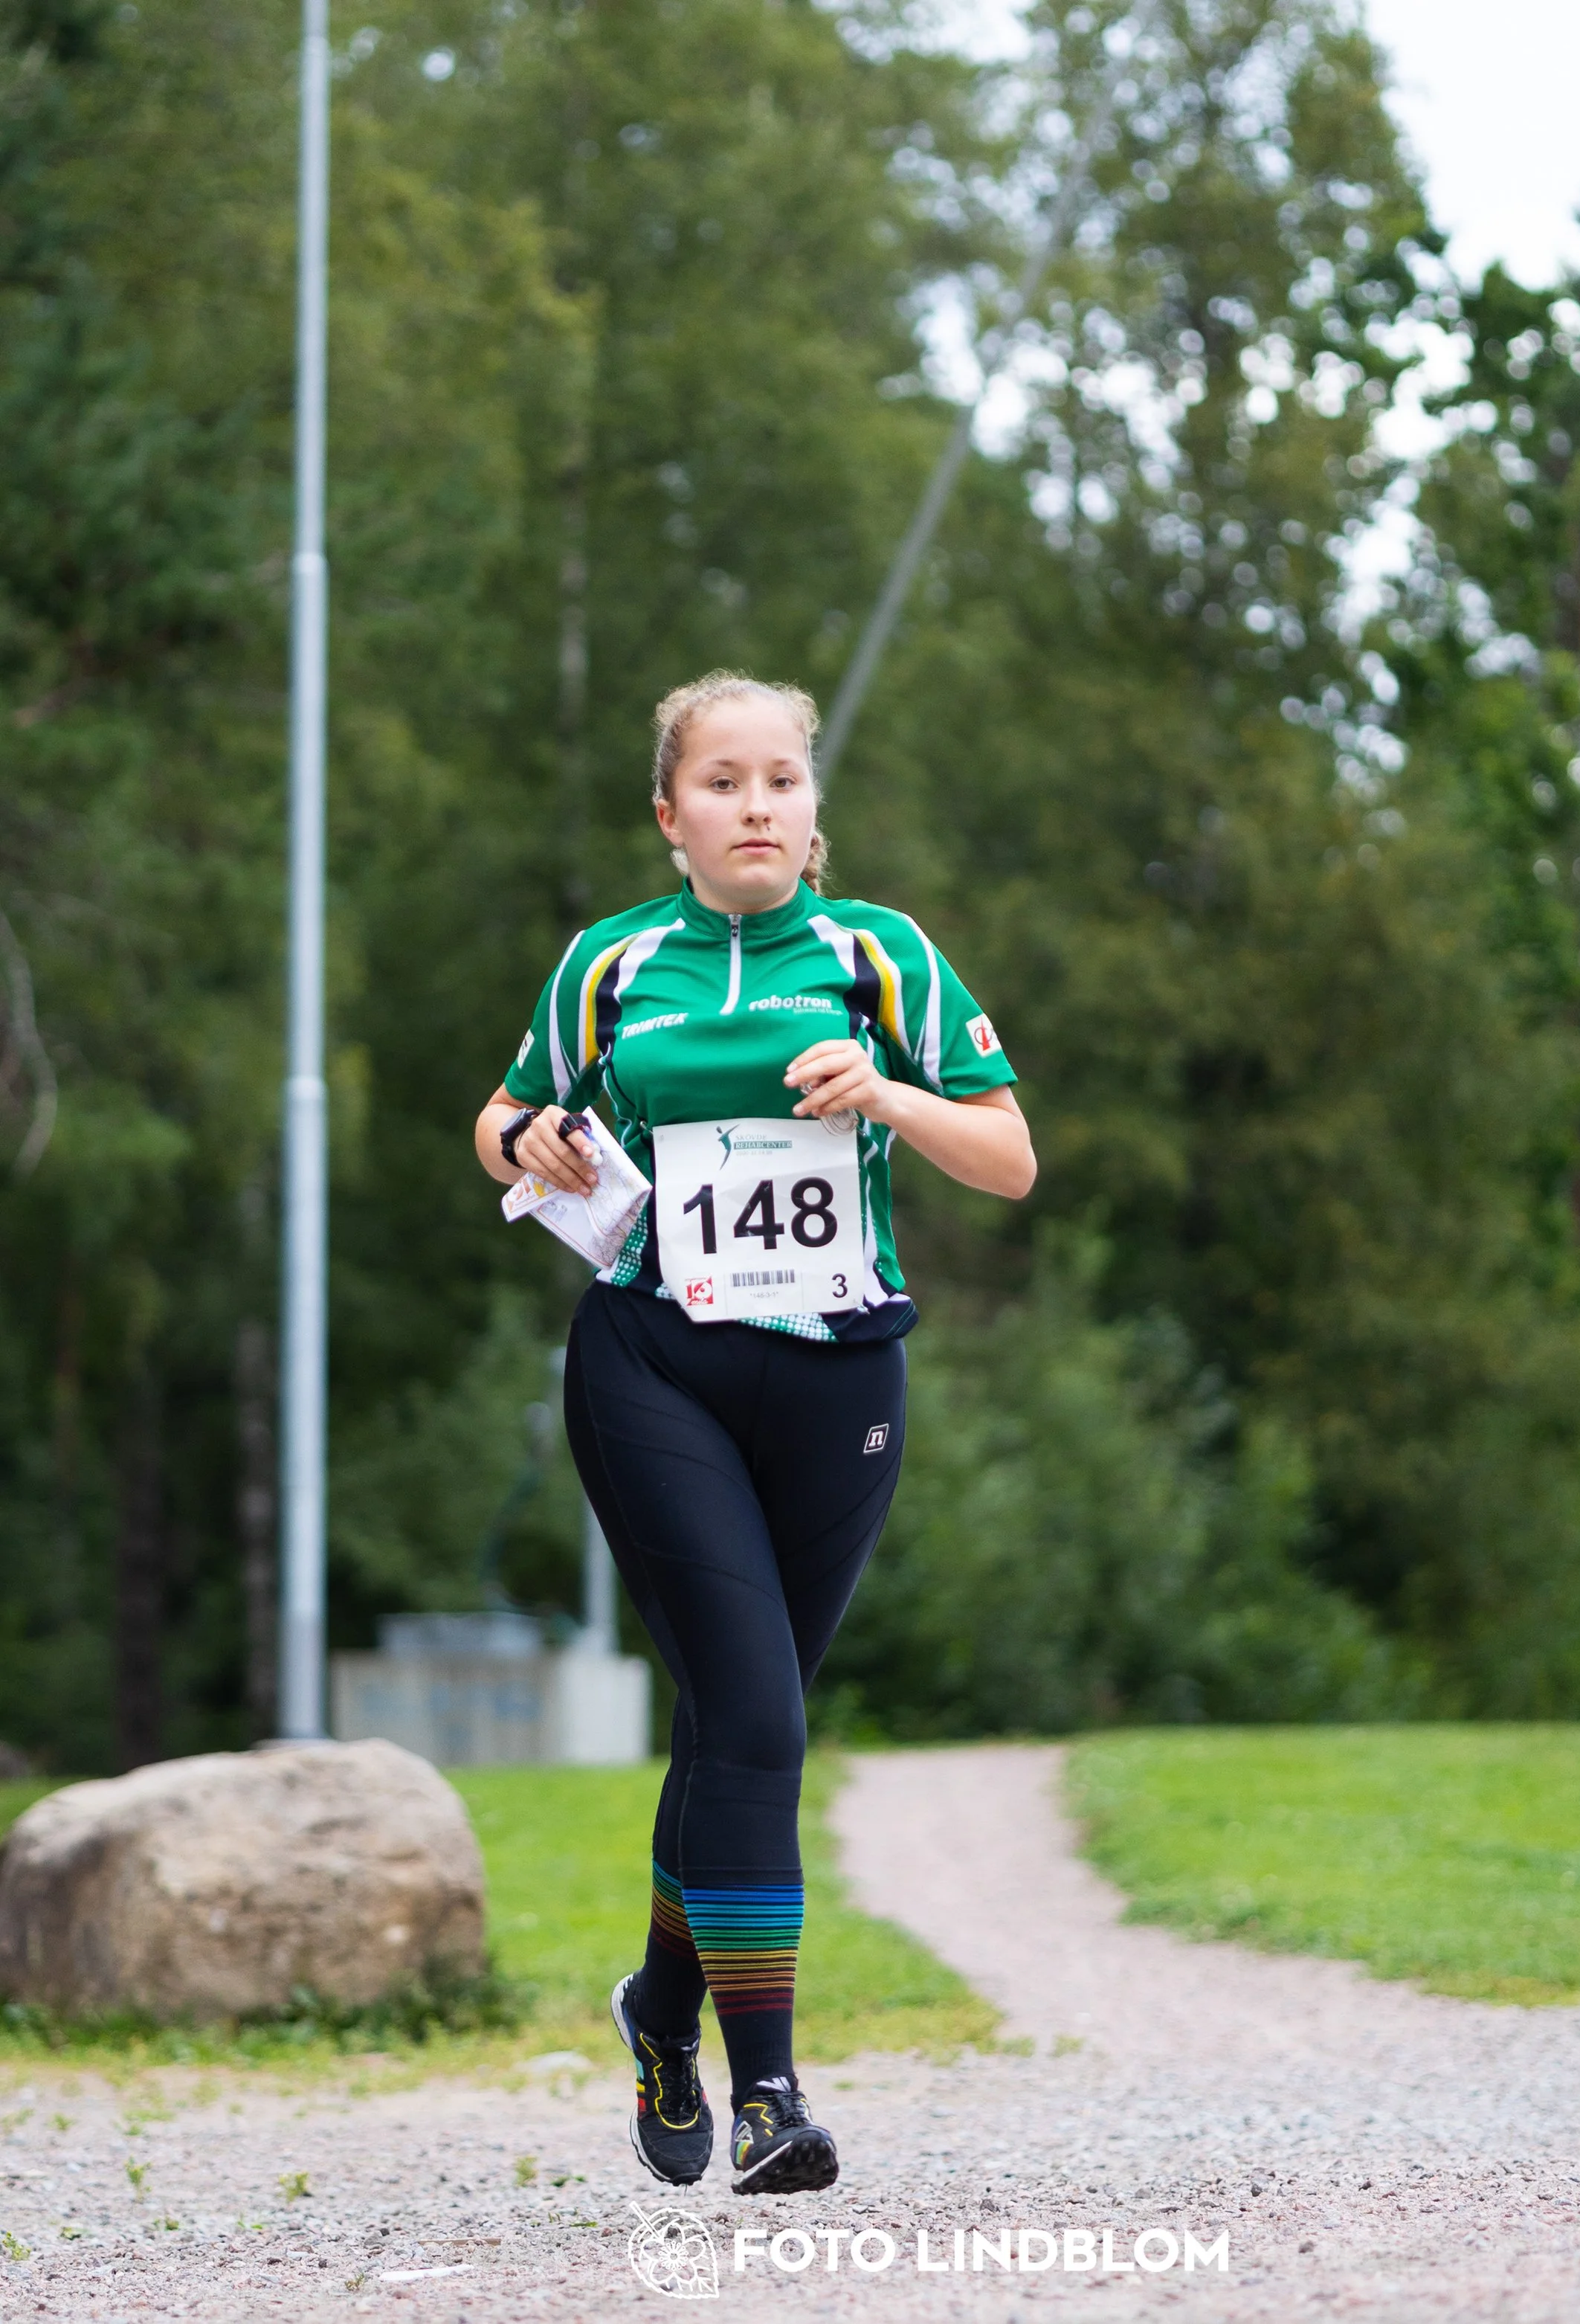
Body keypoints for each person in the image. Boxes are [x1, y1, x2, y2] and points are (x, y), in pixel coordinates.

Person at [474, 671, 1036, 2195]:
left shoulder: (878, 955)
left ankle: (660, 2012)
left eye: (780, 780)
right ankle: (767, 2093)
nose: (754, 807)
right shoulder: (610, 961)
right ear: (671, 815)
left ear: (811, 806)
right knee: (757, 1720)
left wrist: (890, 1096)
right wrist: (531, 1139)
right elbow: (501, 1119)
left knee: (739, 1721)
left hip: (837, 1377)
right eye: (720, 783)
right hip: (655, 1364)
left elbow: (1008, 1157)